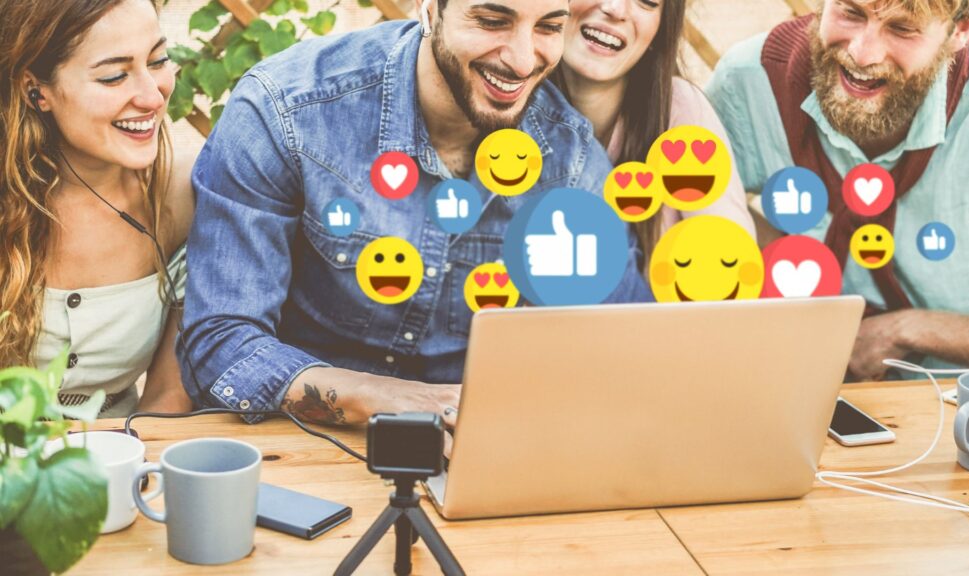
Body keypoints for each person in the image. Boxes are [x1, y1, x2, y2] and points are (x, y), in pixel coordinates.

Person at [180, 0, 650, 428]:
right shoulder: (288, 108)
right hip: (299, 442)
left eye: (548, 27)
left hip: (468, 451)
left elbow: (625, 351)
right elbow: (221, 344)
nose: (524, 60)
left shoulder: (572, 163)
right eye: (492, 21)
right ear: (427, 7)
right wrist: (388, 400)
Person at [706, 0, 969, 380]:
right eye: (850, 13)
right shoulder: (749, 83)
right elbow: (690, 227)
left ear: (961, 29)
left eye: (903, 29)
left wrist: (908, 330)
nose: (862, 52)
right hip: (796, 389)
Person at [0, 0, 195, 415]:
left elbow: (165, 403)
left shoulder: (183, 200)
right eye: (113, 76)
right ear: (36, 90)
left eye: (158, 60)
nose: (152, 96)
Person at [555, 0, 755, 262]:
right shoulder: (502, 105)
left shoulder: (680, 111)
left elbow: (732, 272)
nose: (615, 8)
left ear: (659, 31)